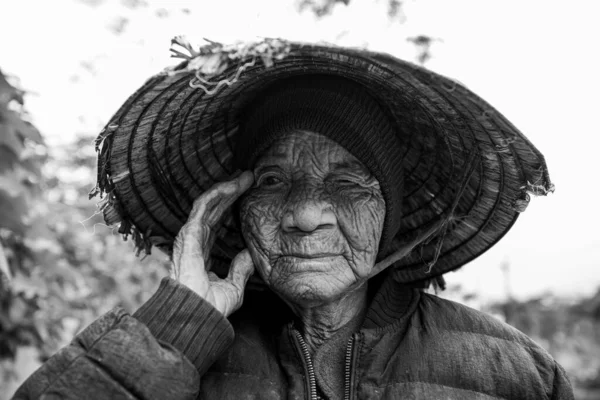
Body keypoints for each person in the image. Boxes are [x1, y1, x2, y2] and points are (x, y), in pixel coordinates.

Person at [13, 39, 573, 399]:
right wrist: (178, 326)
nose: (305, 215)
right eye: (273, 181)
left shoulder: (512, 374)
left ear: (391, 213)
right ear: (234, 205)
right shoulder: (185, 358)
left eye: (349, 183)